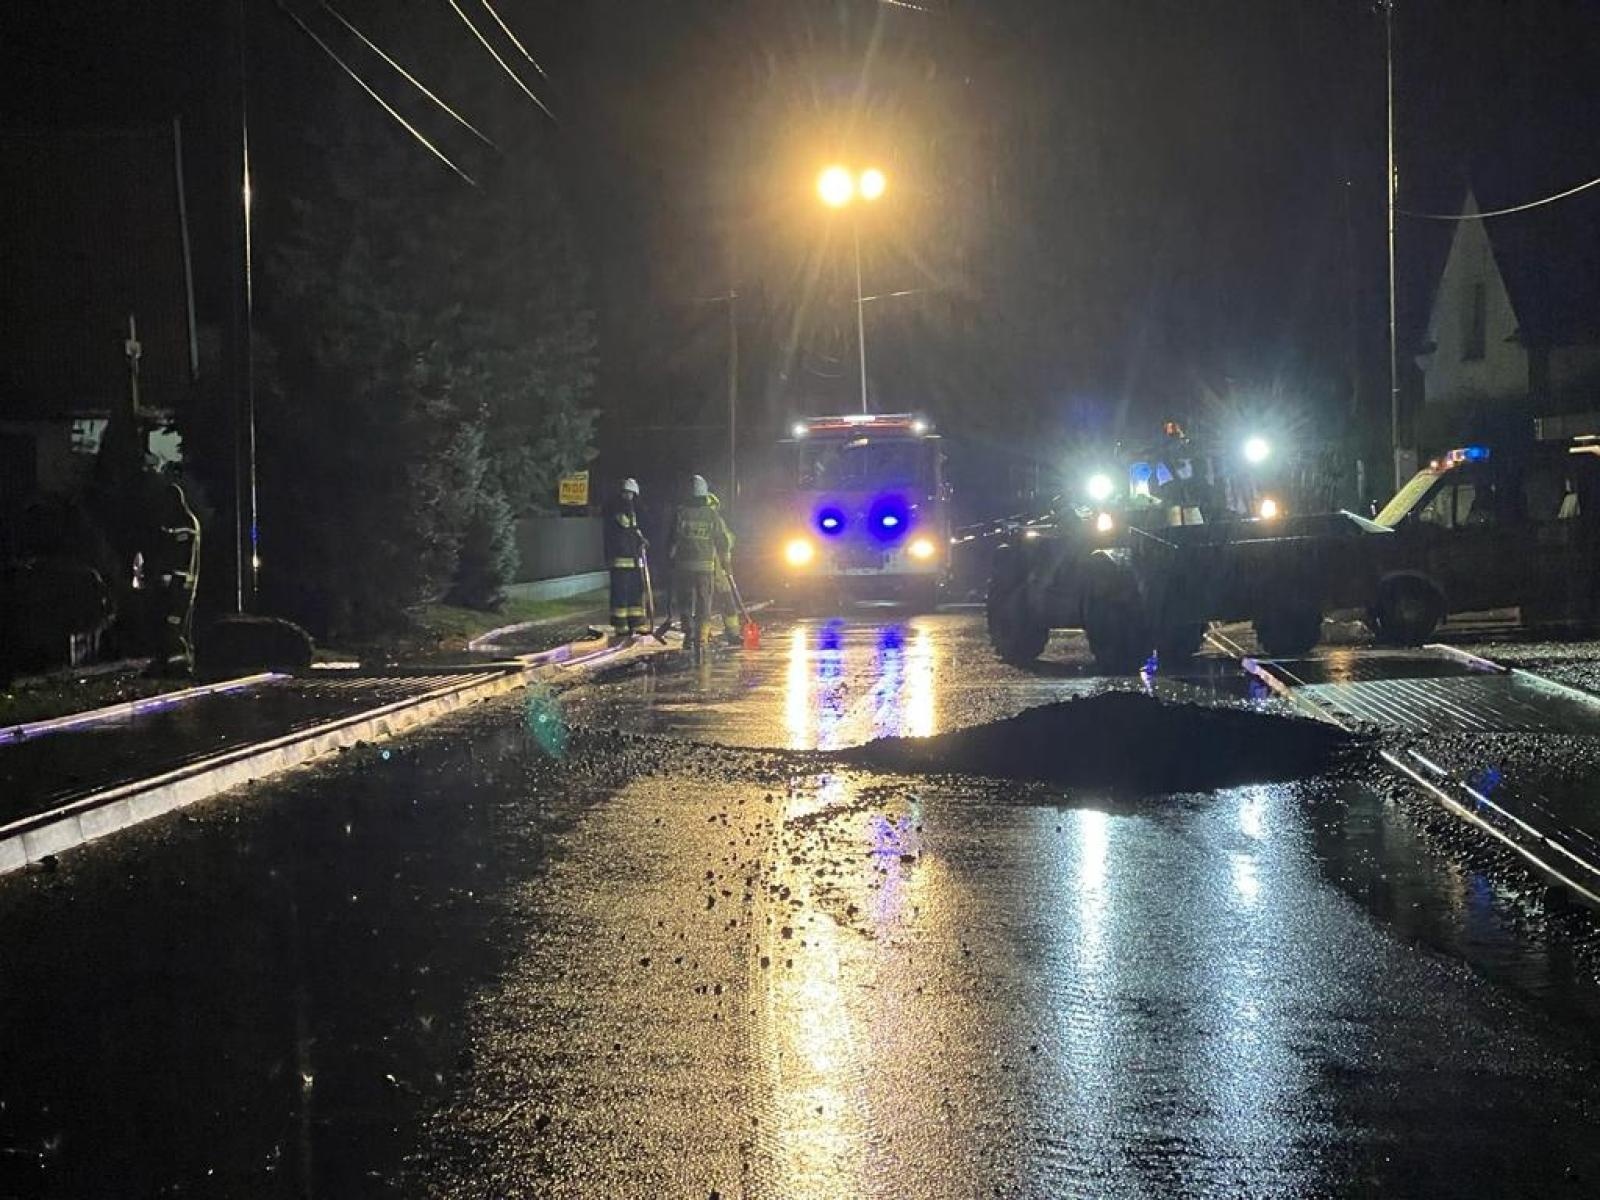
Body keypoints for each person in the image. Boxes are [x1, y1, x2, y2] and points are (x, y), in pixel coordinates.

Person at [667, 474, 732, 656]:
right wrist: (726, 562)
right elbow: (722, 541)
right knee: (704, 601)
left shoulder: (680, 512)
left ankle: (688, 634)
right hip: (705, 567)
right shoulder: (712, 515)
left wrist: (669, 559)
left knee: (686, 601)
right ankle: (701, 637)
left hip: (684, 566)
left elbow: (672, 539)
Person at [151, 481, 201, 671]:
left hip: (181, 585)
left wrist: (170, 578)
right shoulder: (185, 522)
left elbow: (181, 553)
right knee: (177, 624)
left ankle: (178, 665)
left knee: (174, 623)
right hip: (181, 584)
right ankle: (176, 662)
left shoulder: (185, 523)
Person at [603, 478, 649, 639]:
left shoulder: (634, 510)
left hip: (634, 559)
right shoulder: (619, 510)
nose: (628, 496)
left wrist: (641, 539)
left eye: (631, 494)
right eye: (626, 493)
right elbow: (627, 528)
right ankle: (621, 625)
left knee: (635, 592)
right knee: (621, 593)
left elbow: (636, 529)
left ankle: (635, 622)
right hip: (622, 558)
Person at [705, 489, 743, 646]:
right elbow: (724, 545)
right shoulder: (715, 520)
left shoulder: (688, 516)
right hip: (715, 569)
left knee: (703, 603)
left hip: (700, 569)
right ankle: (732, 634)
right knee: (726, 600)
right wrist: (727, 565)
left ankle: (702, 636)